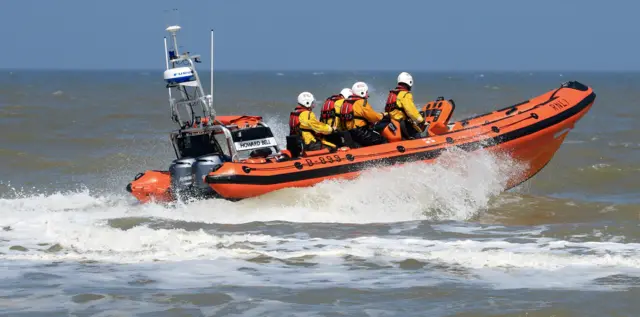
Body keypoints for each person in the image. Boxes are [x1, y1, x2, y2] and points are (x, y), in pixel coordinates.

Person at [339, 82, 386, 147]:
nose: (367, 94)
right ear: (362, 92)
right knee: (382, 139)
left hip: (350, 132)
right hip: (360, 132)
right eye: (366, 92)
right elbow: (373, 117)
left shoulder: (346, 102)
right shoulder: (361, 102)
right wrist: (382, 115)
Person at [384, 72, 425, 139]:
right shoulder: (405, 94)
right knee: (417, 134)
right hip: (402, 123)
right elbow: (411, 111)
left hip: (392, 123)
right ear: (409, 82)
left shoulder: (393, 93)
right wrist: (421, 120)